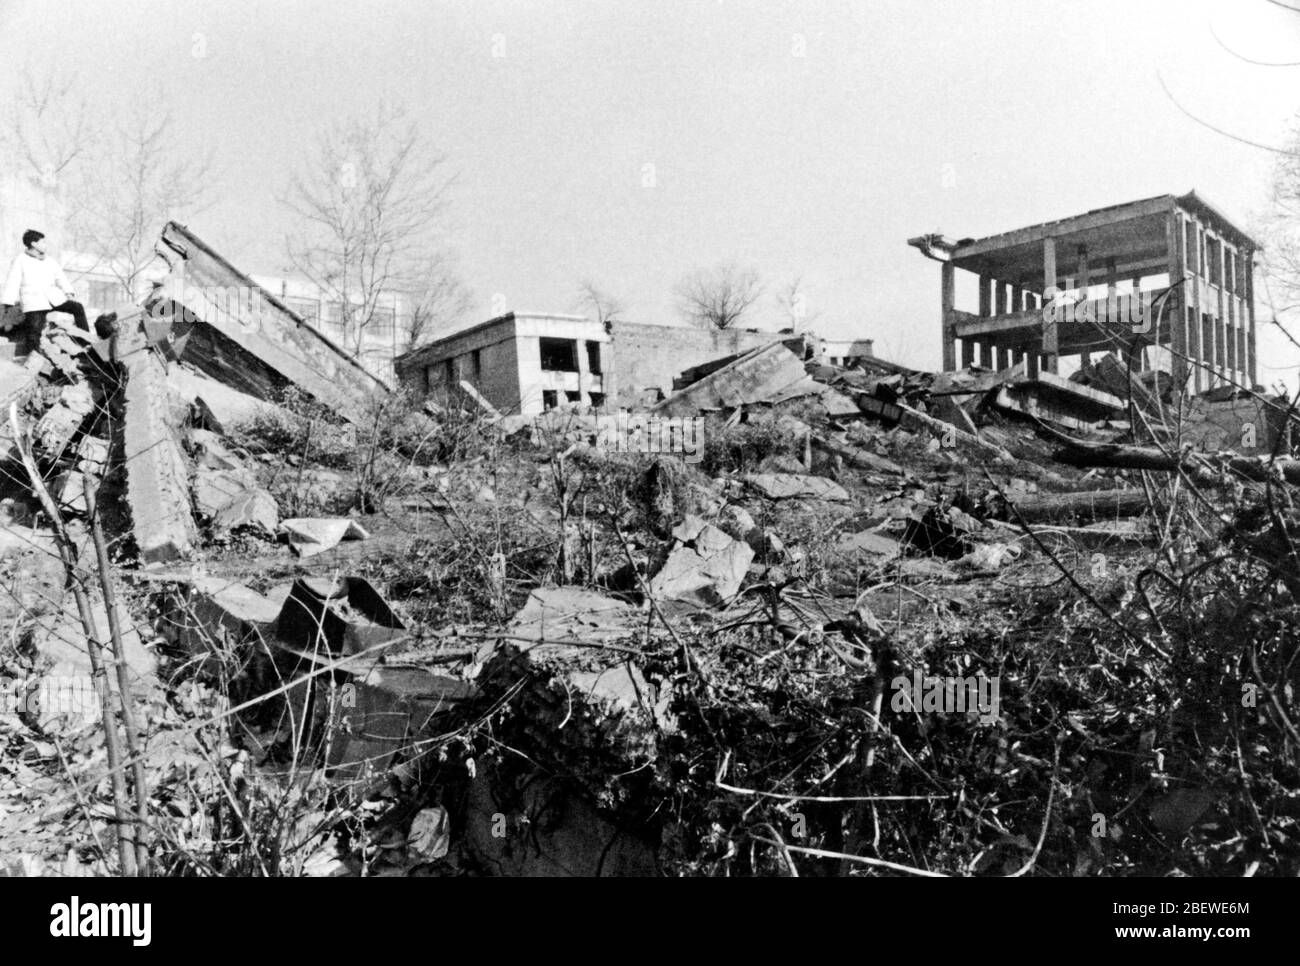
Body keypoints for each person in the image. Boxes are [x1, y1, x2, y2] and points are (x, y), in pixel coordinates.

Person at [1, 229, 88, 355]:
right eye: (43, 242)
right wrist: (7, 302)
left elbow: (60, 277)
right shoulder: (20, 260)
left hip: (53, 298)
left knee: (78, 308)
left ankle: (84, 342)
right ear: (33, 244)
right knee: (34, 332)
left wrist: (68, 292)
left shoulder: (49, 260)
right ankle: (33, 359)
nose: (46, 245)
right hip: (34, 302)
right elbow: (12, 281)